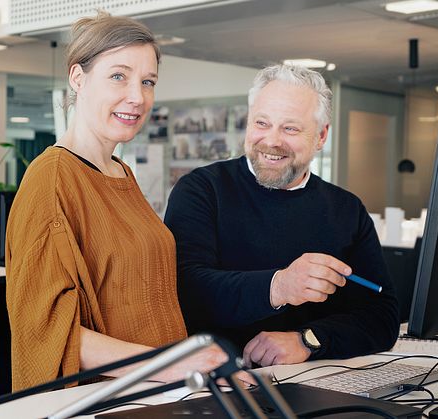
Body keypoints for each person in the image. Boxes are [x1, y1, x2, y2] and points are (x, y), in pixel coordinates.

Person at [5, 12, 223, 391]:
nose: (137, 97)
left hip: (159, 390)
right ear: (78, 77)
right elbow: (47, 333)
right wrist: (170, 365)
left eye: (148, 81)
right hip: (110, 398)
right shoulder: (52, 177)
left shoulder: (121, 172)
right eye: (118, 76)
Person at [164, 64, 399, 368]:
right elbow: (186, 291)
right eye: (262, 123)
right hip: (222, 380)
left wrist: (308, 340)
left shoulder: (346, 209)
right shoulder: (202, 189)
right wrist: (279, 286)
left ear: (321, 136)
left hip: (316, 376)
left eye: (290, 128)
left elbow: (383, 315)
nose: (272, 141)